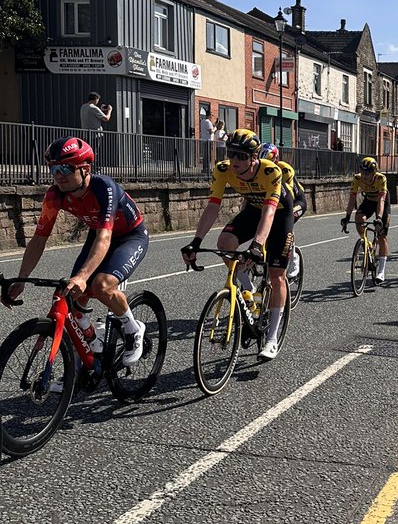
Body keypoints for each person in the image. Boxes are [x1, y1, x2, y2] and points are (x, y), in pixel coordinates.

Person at [1, 136, 149, 365]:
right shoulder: (55, 195)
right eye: (53, 168)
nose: (58, 175)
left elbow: (105, 236)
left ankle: (133, 328)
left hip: (130, 236)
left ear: (85, 169)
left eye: (65, 168)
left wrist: (83, 276)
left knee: (100, 285)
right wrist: (22, 279)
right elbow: (39, 238)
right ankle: (90, 347)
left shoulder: (104, 188)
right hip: (98, 234)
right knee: (66, 295)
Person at [181, 128, 293, 361]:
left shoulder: (270, 171)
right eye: (231, 154)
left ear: (254, 158)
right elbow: (213, 206)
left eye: (241, 156)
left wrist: (257, 244)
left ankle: (272, 339)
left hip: (279, 213)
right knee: (225, 242)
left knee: (276, 275)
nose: (234, 161)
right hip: (253, 209)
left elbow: (269, 212)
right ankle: (248, 290)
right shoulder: (222, 170)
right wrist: (196, 241)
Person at [259, 143, 307, 280]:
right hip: (276, 201)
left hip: (296, 201)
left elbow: (289, 198)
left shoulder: (285, 170)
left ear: (275, 160)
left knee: (286, 223)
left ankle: (294, 257)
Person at [342, 156, 390, 284]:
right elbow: (352, 199)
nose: (364, 175)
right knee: (359, 218)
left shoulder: (381, 178)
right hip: (368, 200)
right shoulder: (357, 178)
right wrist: (347, 217)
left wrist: (379, 218)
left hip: (382, 202)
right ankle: (366, 242)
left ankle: (381, 271)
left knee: (381, 236)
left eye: (367, 173)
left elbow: (381, 200)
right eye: (362, 172)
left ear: (374, 172)